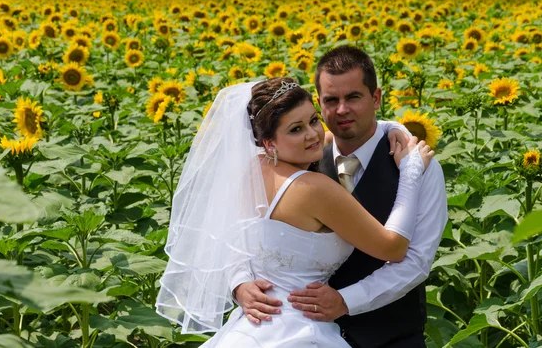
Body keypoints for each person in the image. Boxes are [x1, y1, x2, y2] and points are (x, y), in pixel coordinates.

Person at [156, 74, 435, 347]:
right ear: (269, 142)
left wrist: (239, 283)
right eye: (295, 129)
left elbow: (226, 236)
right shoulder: (314, 190)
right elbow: (394, 247)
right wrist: (411, 172)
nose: (313, 134)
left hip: (252, 328)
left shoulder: (251, 169)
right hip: (300, 329)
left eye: (313, 120)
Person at [234, 47, 448, 348]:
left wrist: (346, 301)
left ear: (376, 98)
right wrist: (239, 283)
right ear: (319, 103)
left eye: (354, 97)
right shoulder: (298, 158)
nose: (342, 110)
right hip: (291, 331)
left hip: (388, 336)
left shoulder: (419, 165)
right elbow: (239, 235)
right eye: (331, 101)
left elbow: (415, 260)